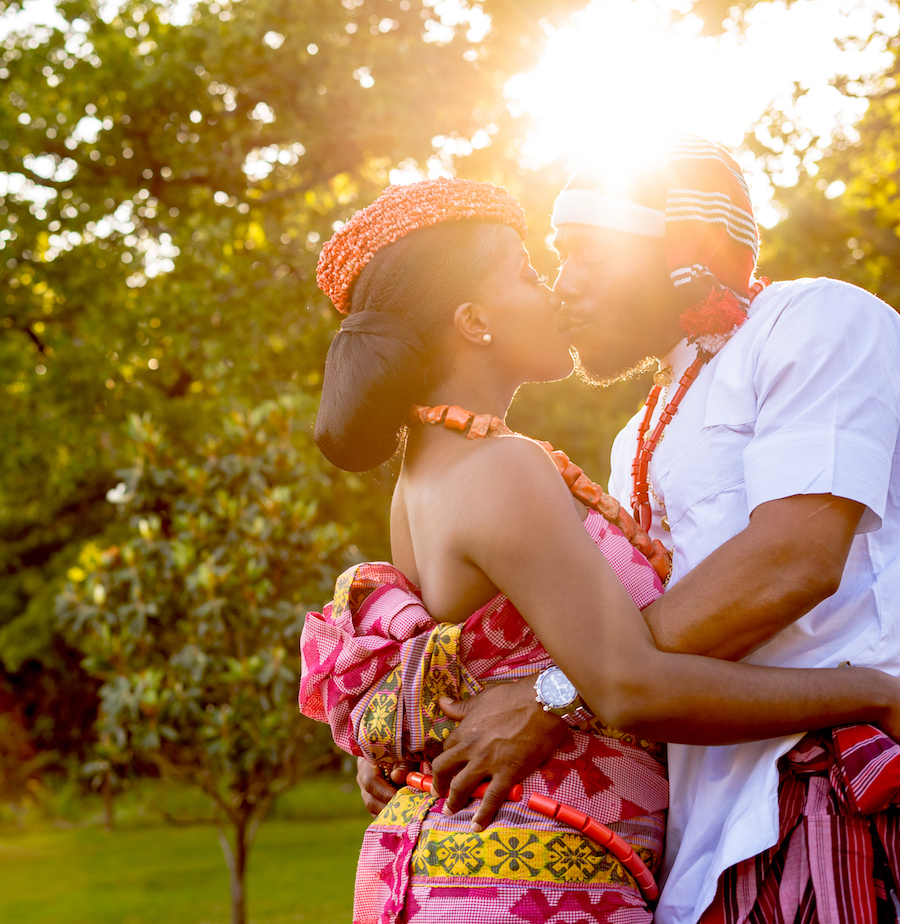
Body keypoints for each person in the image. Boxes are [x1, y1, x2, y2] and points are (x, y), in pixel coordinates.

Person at [300, 175, 900, 924]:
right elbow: (627, 683)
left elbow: (465, 652)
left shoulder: (441, 469)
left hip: (521, 858)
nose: (556, 288)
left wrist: (425, 725)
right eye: (532, 271)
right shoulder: (505, 464)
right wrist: (875, 691)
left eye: (581, 257)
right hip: (531, 871)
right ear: (476, 320)